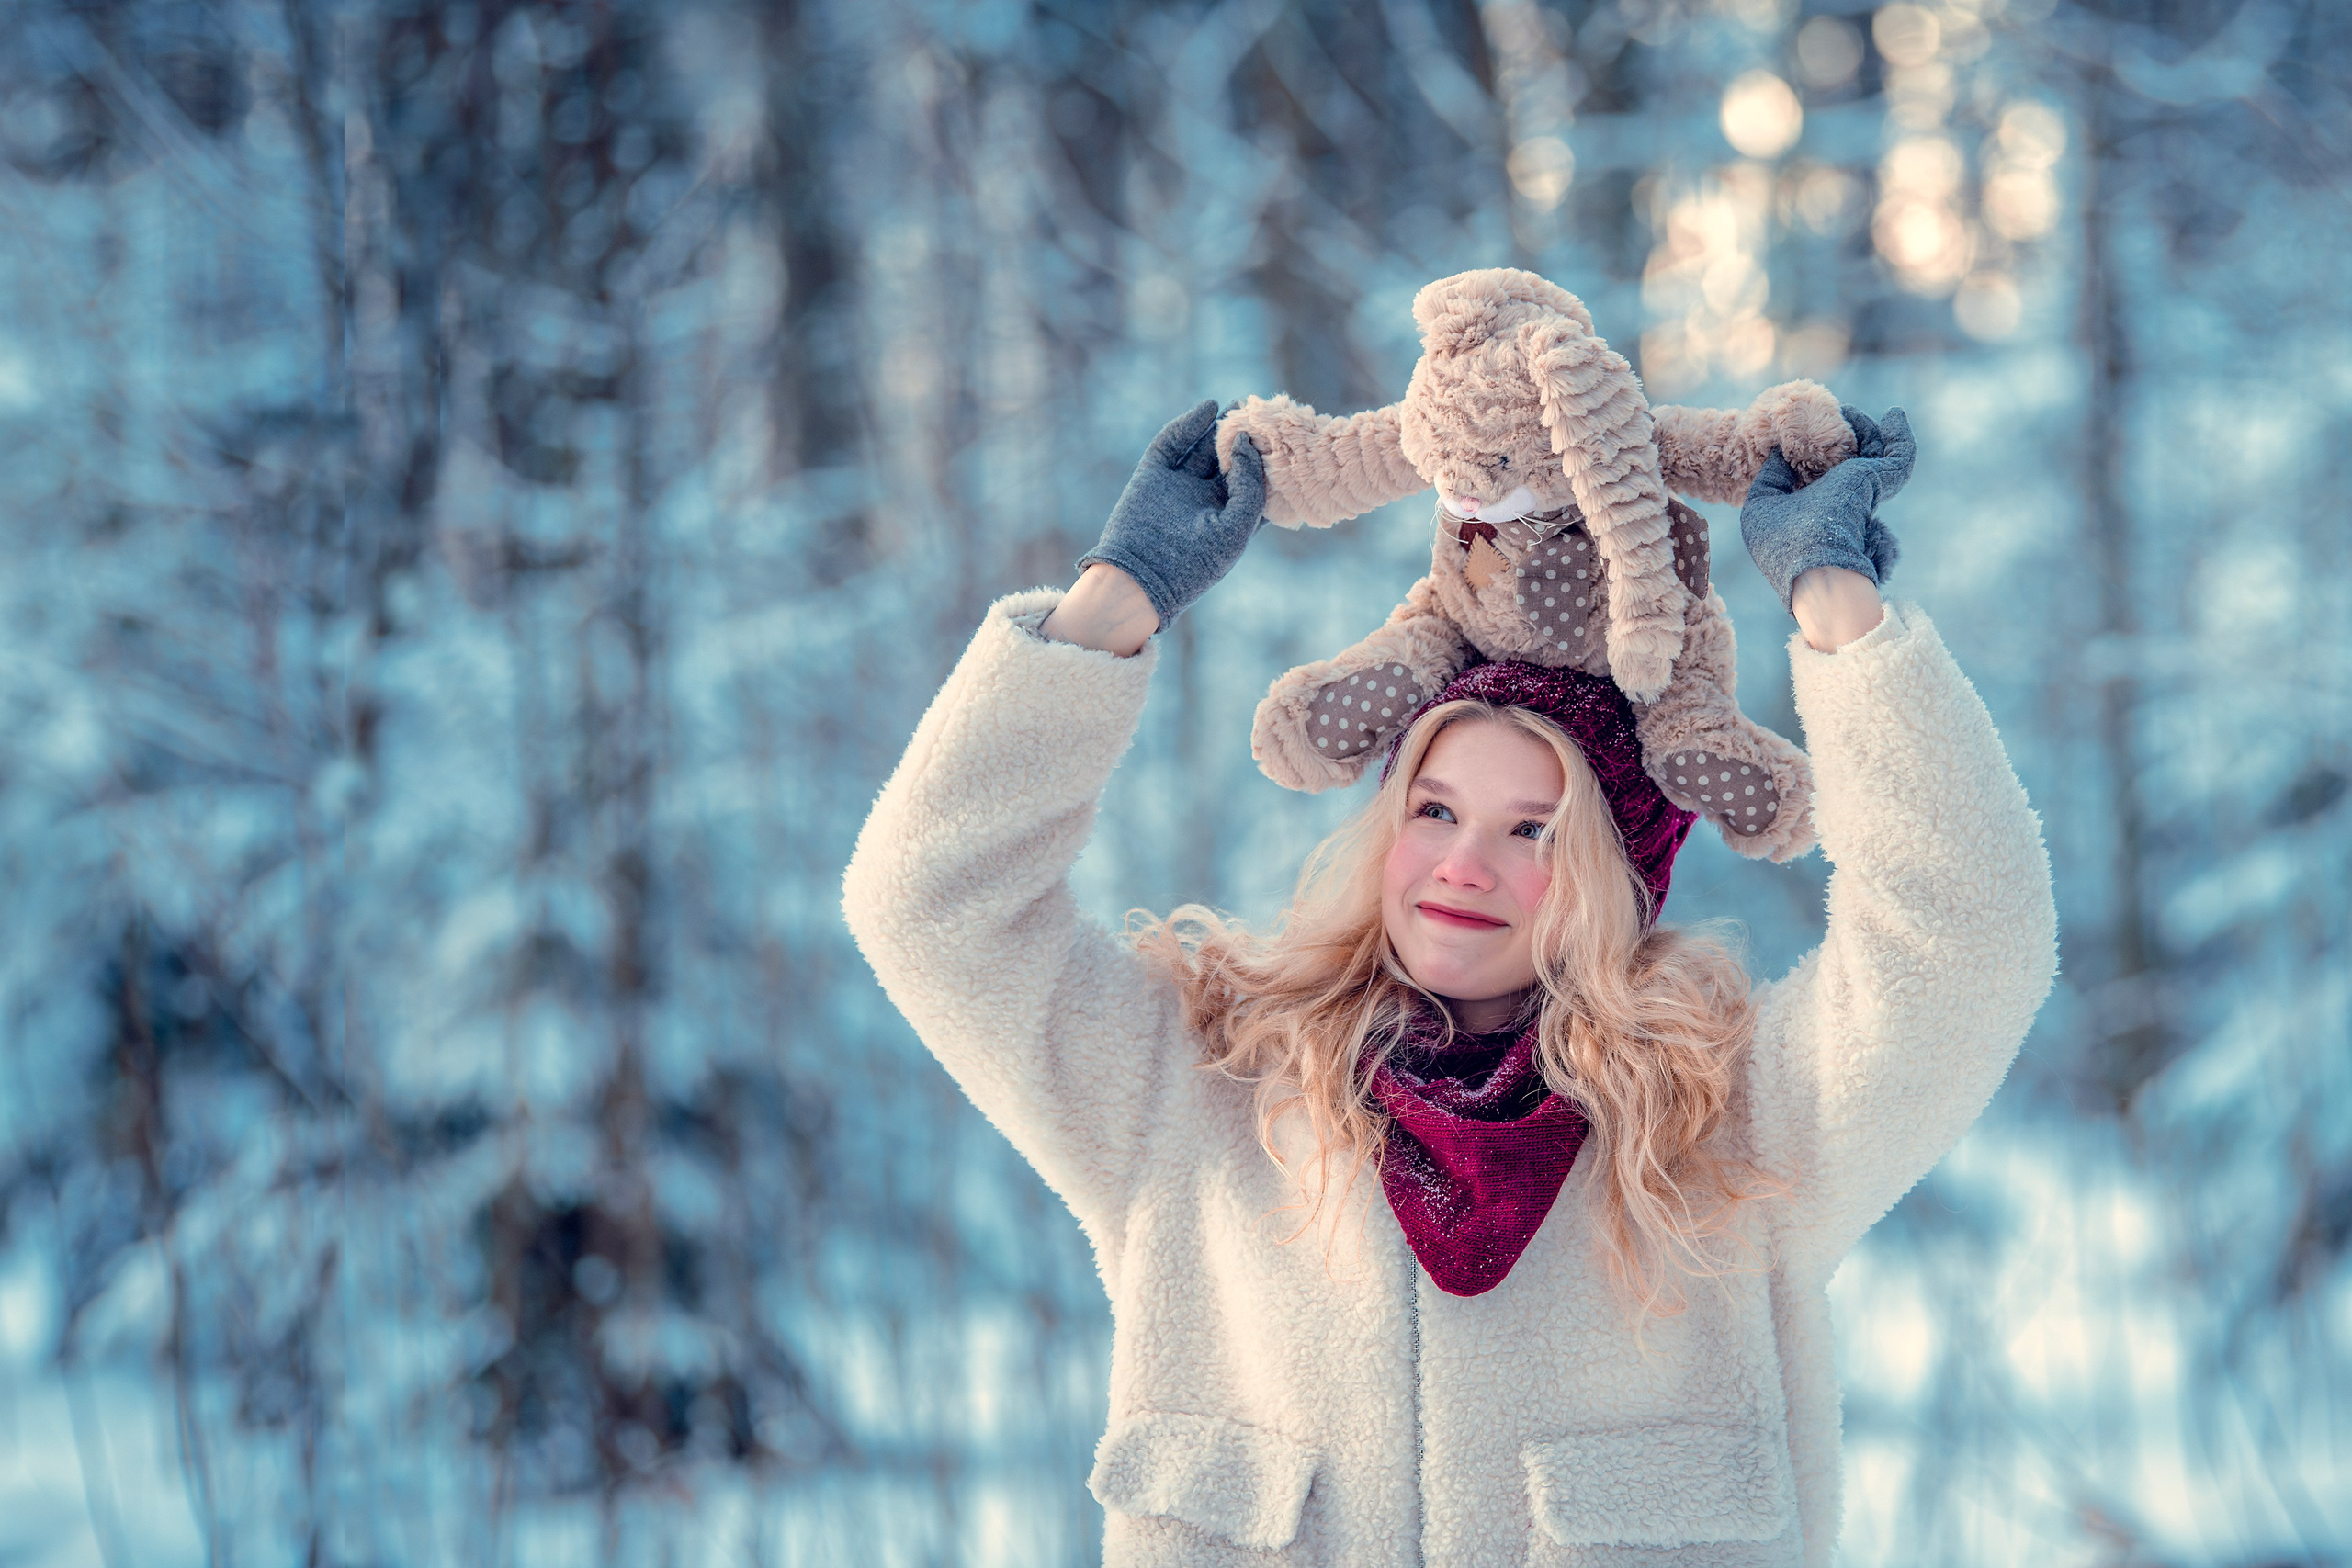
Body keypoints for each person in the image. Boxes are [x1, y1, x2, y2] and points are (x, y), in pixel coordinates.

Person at [842, 400, 2056, 1566]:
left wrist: (1839, 611)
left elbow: (1971, 941)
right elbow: (932, 907)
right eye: (1434, 808)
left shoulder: (1737, 1125)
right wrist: (1113, 603)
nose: (1462, 866)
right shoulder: (1199, 1091)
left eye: (1535, 831)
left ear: (1615, 872)